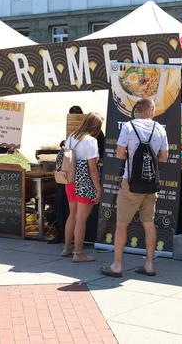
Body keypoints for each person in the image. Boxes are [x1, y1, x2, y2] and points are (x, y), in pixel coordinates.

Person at [100, 98, 168, 278]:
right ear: (151, 110)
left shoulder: (128, 127)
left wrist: (132, 157)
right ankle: (149, 265)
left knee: (122, 224)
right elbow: (164, 157)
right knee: (149, 224)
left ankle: (117, 266)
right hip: (151, 183)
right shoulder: (160, 128)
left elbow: (120, 153)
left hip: (130, 183)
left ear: (137, 110)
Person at [61, 112, 104, 263]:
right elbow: (92, 169)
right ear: (96, 127)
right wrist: (98, 188)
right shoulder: (91, 141)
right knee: (81, 218)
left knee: (72, 215)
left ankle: (67, 248)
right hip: (84, 181)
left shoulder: (71, 136)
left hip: (70, 179)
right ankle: (78, 253)